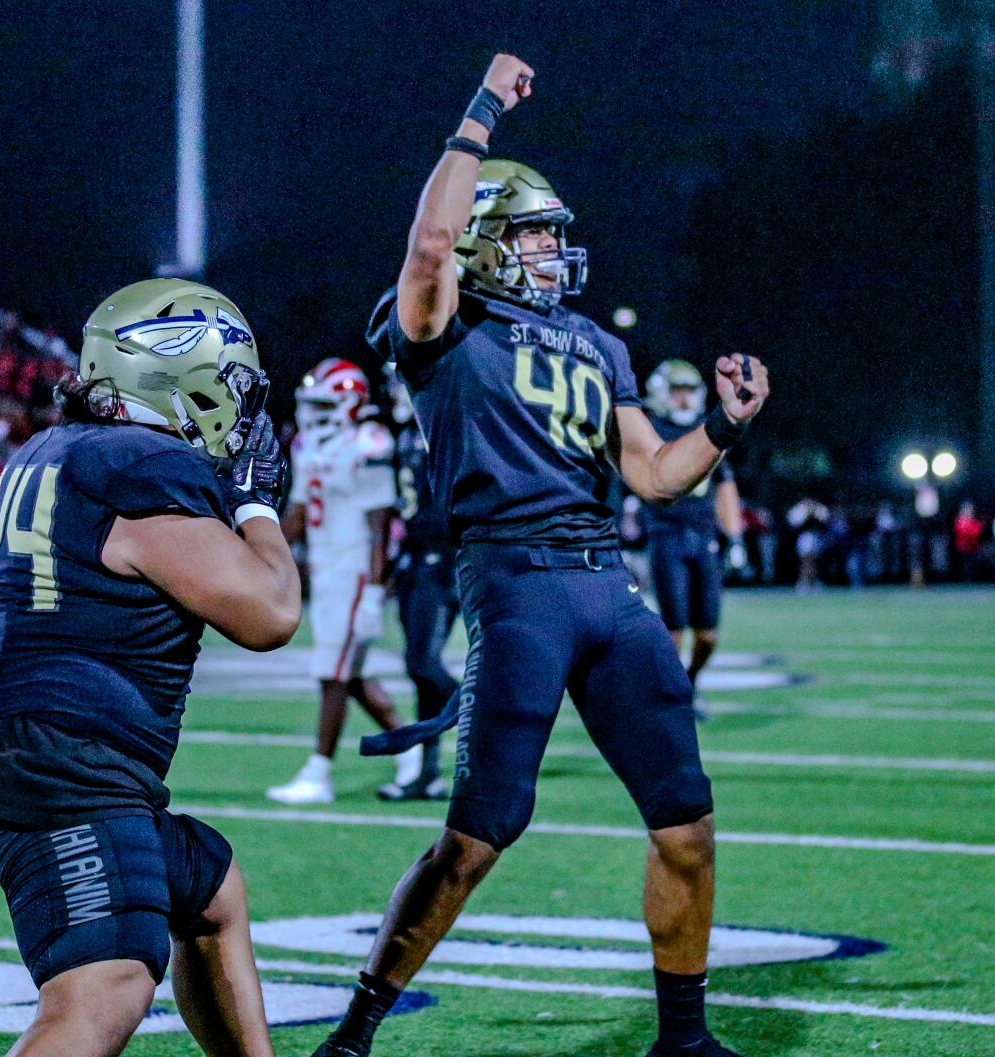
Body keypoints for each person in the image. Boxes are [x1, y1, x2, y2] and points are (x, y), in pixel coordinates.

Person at [312, 54, 769, 1057]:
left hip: (606, 581)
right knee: (477, 837)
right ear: (484, 242)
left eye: (554, 237)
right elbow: (429, 246)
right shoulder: (444, 322)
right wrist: (478, 112)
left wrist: (727, 431)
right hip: (512, 579)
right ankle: (350, 1035)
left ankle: (683, 1041)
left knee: (687, 825)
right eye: (531, 234)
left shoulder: (597, 345)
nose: (553, 253)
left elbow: (652, 473)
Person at [0, 278, 300, 1057]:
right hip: (65, 772)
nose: (242, 412)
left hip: (31, 752)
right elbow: (269, 611)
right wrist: (257, 503)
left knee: (209, 890)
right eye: (227, 386)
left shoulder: (60, 448)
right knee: (107, 987)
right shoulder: (139, 465)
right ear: (176, 381)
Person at [266, 359, 421, 805]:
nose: (313, 412)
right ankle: (408, 747)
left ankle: (319, 772)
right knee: (347, 674)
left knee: (333, 673)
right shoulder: (309, 445)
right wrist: (256, 546)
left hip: (355, 569)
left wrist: (374, 590)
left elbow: (379, 527)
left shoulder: (369, 444)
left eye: (323, 403)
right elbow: (296, 514)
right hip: (326, 571)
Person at [640, 360, 746, 714]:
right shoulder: (650, 429)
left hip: (704, 539)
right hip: (666, 534)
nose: (684, 399)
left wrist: (735, 538)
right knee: (674, 628)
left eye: (689, 390)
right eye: (676, 390)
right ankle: (670, 696)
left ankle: (689, 682)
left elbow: (725, 483)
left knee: (708, 634)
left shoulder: (706, 430)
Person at [383, 367, 458, 800]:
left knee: (422, 665)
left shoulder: (447, 429)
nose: (396, 390)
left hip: (444, 557)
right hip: (415, 556)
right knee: (420, 674)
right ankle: (427, 773)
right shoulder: (409, 432)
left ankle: (481, 706)